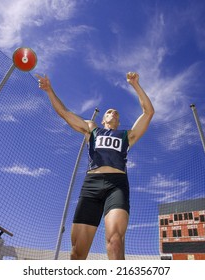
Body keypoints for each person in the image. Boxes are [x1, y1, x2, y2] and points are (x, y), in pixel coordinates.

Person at [36, 72, 154, 260]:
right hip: (92, 184)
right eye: (109, 111)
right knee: (77, 253)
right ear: (103, 120)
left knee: (115, 241)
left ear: (119, 121)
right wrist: (50, 90)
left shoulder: (127, 135)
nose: (112, 112)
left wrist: (135, 85)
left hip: (117, 185)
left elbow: (148, 112)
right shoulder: (92, 129)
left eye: (116, 112)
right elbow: (65, 114)